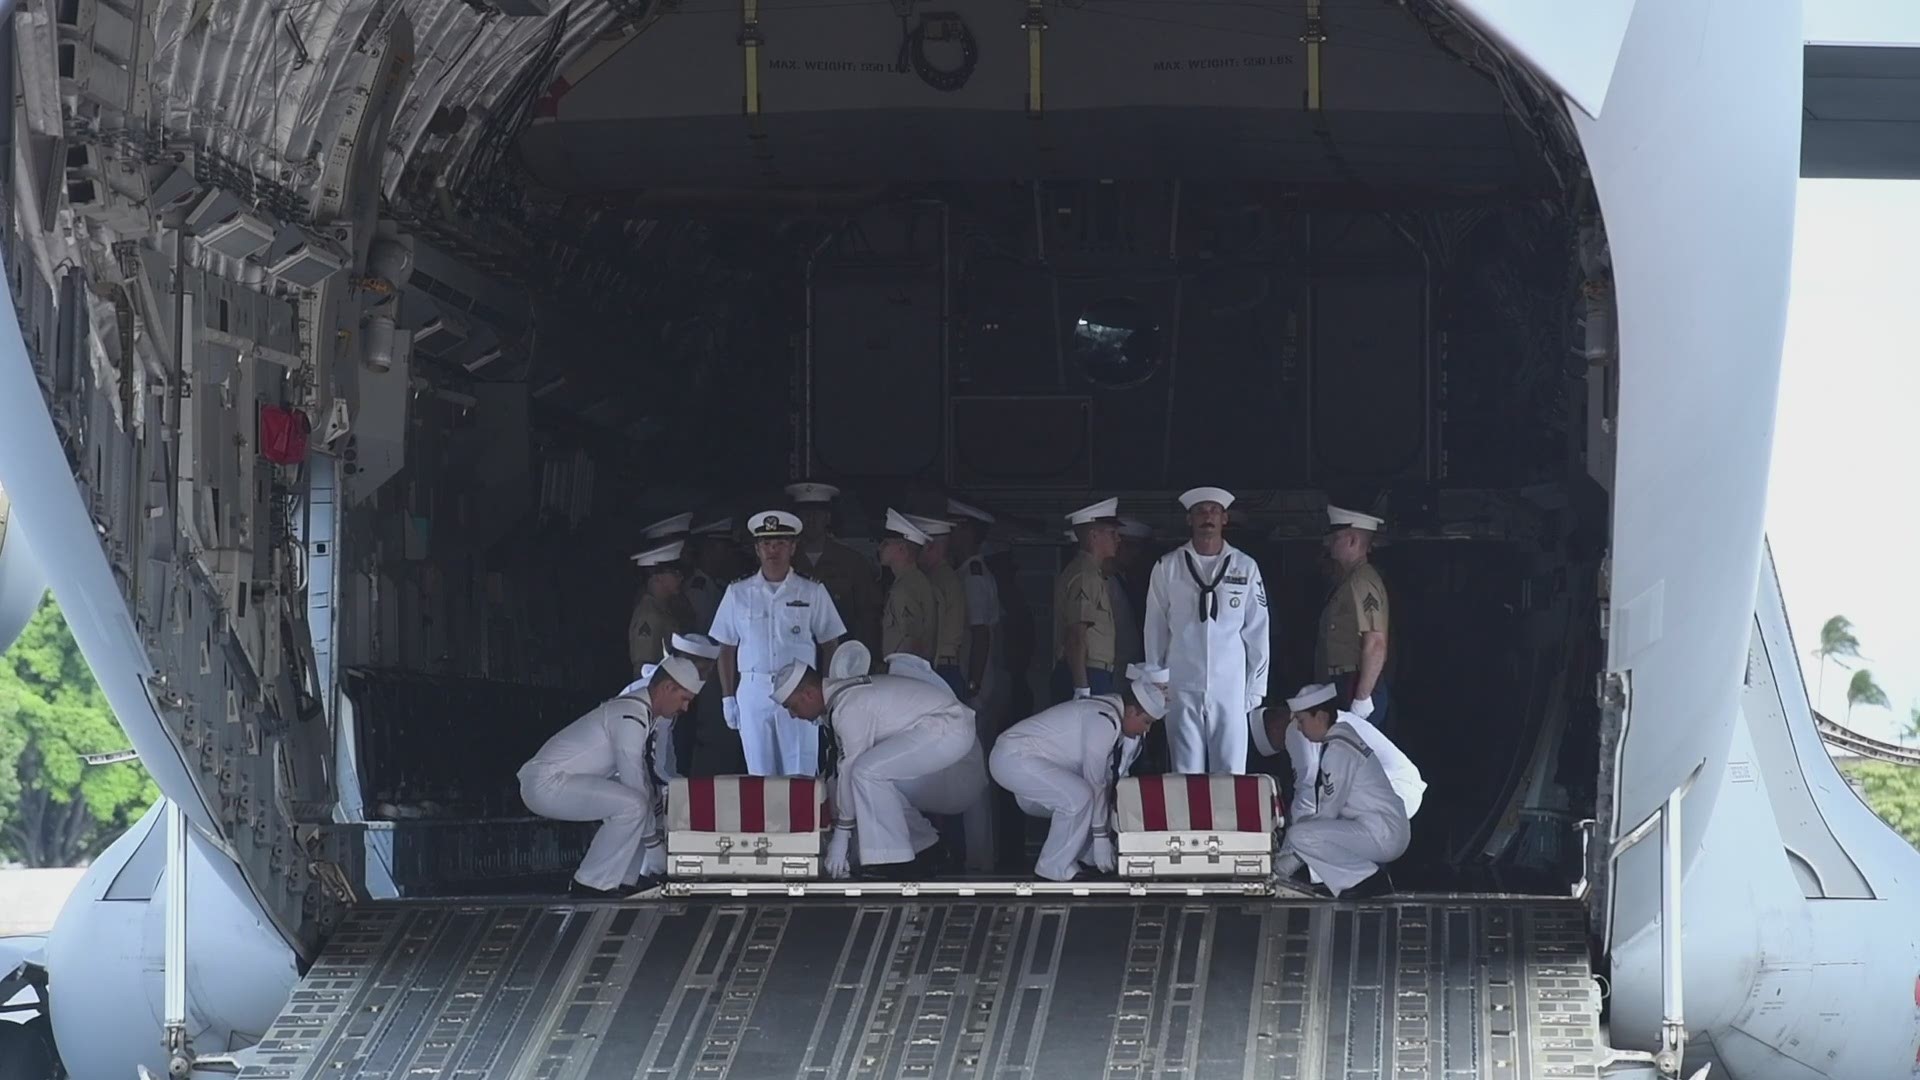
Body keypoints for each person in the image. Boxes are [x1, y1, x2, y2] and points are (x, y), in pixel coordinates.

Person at [774, 660, 985, 880]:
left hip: (948, 727)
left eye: (792, 706)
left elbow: (850, 768)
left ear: (808, 694)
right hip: (941, 729)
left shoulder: (849, 706)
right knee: (875, 781)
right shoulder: (843, 697)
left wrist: (842, 836)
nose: (792, 715)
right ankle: (928, 849)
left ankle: (892, 860)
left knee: (866, 772)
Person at [516, 657, 704, 898]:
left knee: (645, 798)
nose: (685, 708)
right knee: (635, 804)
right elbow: (632, 778)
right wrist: (653, 844)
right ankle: (590, 883)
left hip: (560, 781)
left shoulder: (641, 713)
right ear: (667, 688)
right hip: (546, 784)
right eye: (684, 699)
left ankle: (624, 878)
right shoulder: (629, 715)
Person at [989, 673, 1168, 881]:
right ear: (1130, 712)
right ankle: (1053, 867)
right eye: (1146, 722)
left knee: (1084, 798)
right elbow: (1095, 782)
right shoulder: (1104, 720)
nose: (1146, 730)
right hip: (1013, 759)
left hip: (1027, 765)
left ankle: (1081, 856)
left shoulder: (1112, 715)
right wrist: (1100, 836)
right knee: (1080, 797)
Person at [1144, 487, 1271, 774]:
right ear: (1189, 519)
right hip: (1181, 683)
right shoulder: (1168, 566)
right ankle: (1191, 822)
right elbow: (1155, 627)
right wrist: (1157, 681)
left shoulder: (1245, 566)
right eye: (1200, 511)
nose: (1207, 517)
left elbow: (1257, 631)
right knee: (1185, 772)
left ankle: (1229, 821)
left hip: (1230, 685)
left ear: (1225, 518)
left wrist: (1256, 687)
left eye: (1214, 511)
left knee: (1231, 771)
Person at [709, 510, 847, 776]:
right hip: (753, 687)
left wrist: (826, 690)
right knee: (760, 775)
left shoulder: (811, 591)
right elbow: (725, 647)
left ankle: (804, 820)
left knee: (801, 771)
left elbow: (831, 642)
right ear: (757, 549)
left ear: (793, 547)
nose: (773, 550)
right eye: (766, 544)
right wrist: (727, 696)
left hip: (800, 690)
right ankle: (767, 821)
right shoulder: (737, 592)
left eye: (781, 543)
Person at [1263, 683, 1412, 896]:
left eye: (1302, 720)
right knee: (1305, 832)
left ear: (1321, 717)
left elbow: (1328, 814)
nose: (1298, 728)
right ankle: (1354, 880)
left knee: (1300, 834)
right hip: (1383, 828)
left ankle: (1365, 879)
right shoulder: (1343, 736)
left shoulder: (1337, 752)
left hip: (1383, 833)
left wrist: (1286, 860)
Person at [1317, 505, 1392, 732]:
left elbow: (1376, 643)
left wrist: (1362, 697)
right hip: (1345, 682)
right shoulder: (1350, 580)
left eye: (1336, 537)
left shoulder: (1361, 582)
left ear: (1352, 541)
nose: (1330, 542)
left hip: (1357, 683)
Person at [788, 481, 883, 655]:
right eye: (805, 513)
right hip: (795, 659)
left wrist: (864, 657)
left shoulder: (852, 562)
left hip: (842, 656)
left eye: (818, 513)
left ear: (828, 518)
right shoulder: (785, 562)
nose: (811, 519)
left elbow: (868, 616)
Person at [1054, 498, 1123, 702]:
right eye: (1112, 533)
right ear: (1093, 536)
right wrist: (1081, 686)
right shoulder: (1086, 575)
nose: (1118, 539)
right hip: (1086, 673)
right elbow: (1076, 635)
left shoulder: (1092, 573)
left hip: (1093, 672)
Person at [908, 513, 971, 700]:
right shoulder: (945, 578)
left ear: (930, 546)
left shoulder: (937, 581)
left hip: (938, 668)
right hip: (945, 667)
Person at [877, 509, 937, 662]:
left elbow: (912, 641)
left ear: (902, 549)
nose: (880, 548)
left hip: (905, 674)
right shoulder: (915, 581)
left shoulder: (904, 589)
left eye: (886, 543)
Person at [627, 539, 686, 678]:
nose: (681, 577)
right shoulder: (649, 614)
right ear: (657, 577)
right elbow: (643, 668)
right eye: (674, 572)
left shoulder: (663, 608)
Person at [1111, 518, 1154, 671]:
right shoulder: (1104, 579)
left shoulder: (1130, 579)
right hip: (1111, 664)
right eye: (1128, 546)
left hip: (1130, 664)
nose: (1133, 553)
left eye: (1138, 548)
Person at [683, 517, 736, 633]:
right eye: (724, 548)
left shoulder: (718, 584)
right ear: (709, 549)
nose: (728, 553)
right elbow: (698, 633)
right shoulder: (697, 590)